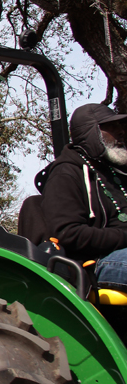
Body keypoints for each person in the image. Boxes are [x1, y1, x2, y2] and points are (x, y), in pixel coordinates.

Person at [42, 103, 127, 285]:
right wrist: (123, 236)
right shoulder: (66, 173)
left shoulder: (114, 171)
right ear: (91, 133)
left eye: (120, 126)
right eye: (111, 127)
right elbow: (67, 233)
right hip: (94, 263)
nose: (121, 132)